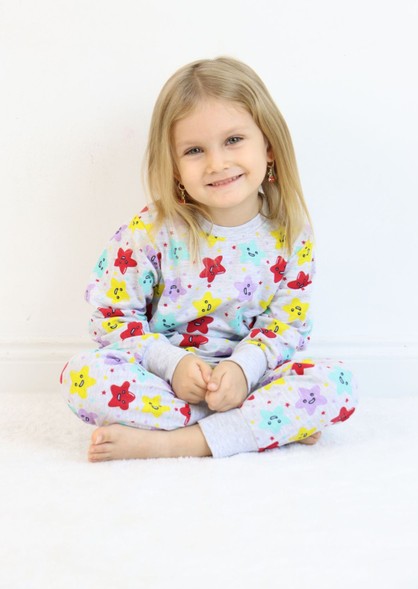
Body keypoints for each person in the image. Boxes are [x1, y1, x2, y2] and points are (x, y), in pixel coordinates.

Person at [60, 56, 358, 462]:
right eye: (195, 150)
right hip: (166, 380)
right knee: (82, 376)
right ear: (174, 167)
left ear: (269, 146)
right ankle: (257, 428)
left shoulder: (290, 233)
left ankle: (177, 442)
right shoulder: (151, 231)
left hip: (251, 380)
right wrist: (173, 365)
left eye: (233, 140)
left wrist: (242, 370)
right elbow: (113, 318)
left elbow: (286, 325)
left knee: (336, 384)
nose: (217, 163)